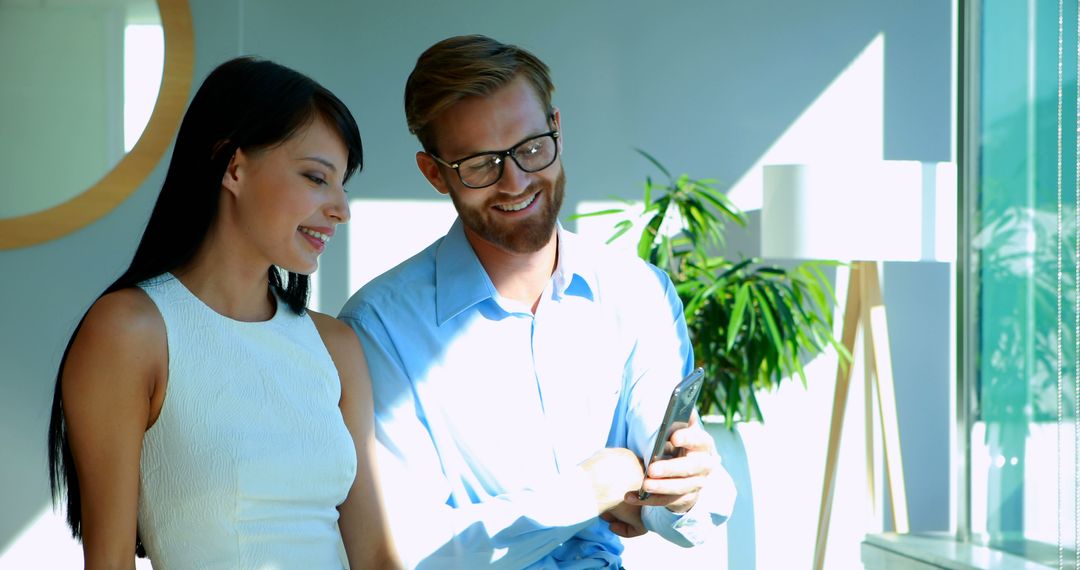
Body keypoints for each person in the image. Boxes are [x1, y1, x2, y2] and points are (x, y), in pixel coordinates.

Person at [338, 35, 735, 568]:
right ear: (434, 173)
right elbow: (405, 552)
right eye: (481, 165)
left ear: (557, 129)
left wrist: (684, 490)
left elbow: (677, 507)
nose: (516, 181)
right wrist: (587, 491)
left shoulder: (639, 293)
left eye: (531, 149)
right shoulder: (377, 329)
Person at [46, 56, 400, 569]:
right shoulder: (132, 330)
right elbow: (110, 562)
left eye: (343, 184)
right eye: (316, 178)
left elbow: (375, 557)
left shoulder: (335, 346)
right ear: (233, 166)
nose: (341, 207)